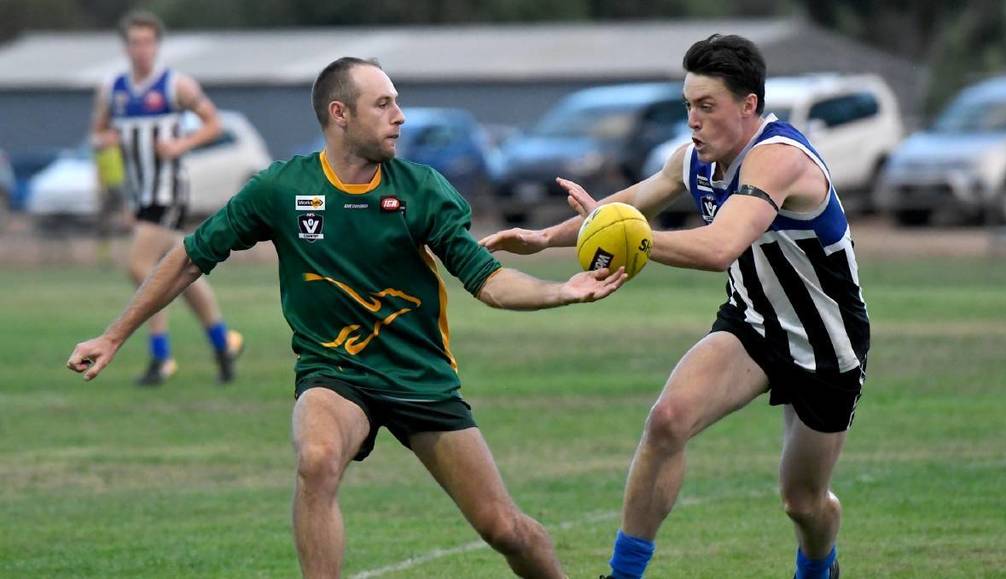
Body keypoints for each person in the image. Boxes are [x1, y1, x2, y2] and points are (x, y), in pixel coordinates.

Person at [68, 56, 627, 578]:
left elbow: (489, 281)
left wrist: (562, 291)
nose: (400, 115)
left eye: (397, 102)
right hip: (334, 373)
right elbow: (191, 256)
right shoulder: (282, 188)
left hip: (418, 376)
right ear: (340, 114)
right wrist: (114, 335)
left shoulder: (422, 190)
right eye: (383, 104)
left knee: (504, 529)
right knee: (316, 460)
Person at [482, 34, 868, 579]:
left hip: (825, 344)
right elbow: (627, 206)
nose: (694, 120)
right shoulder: (694, 162)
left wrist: (628, 239)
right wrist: (546, 237)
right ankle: (623, 575)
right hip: (753, 326)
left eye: (707, 107)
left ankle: (818, 566)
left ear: (748, 105)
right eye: (689, 105)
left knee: (803, 502)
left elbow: (718, 247)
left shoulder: (779, 161)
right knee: (667, 420)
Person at [91, 10, 243, 385]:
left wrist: (181, 144)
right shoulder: (113, 90)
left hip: (169, 190)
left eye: (147, 42)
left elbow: (214, 124)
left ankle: (161, 356)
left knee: (139, 265)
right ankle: (223, 342)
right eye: (134, 42)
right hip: (140, 193)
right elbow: (97, 135)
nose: (141, 49)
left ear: (156, 45)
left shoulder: (176, 85)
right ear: (125, 47)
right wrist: (106, 143)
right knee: (182, 268)